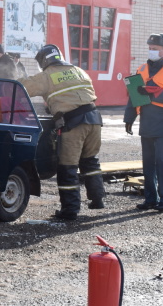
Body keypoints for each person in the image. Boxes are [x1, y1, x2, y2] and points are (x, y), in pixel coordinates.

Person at [20, 44, 105, 220]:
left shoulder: (47, 75)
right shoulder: (77, 70)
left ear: (44, 61)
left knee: (67, 167)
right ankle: (98, 199)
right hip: (95, 120)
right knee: (90, 161)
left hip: (74, 124)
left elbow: (23, 88)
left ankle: (70, 210)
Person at [124, 33, 163, 213]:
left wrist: (153, 93)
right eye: (150, 48)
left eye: (155, 49)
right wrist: (128, 119)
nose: (151, 51)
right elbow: (134, 97)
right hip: (147, 122)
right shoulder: (142, 69)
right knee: (148, 162)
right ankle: (150, 199)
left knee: (162, 160)